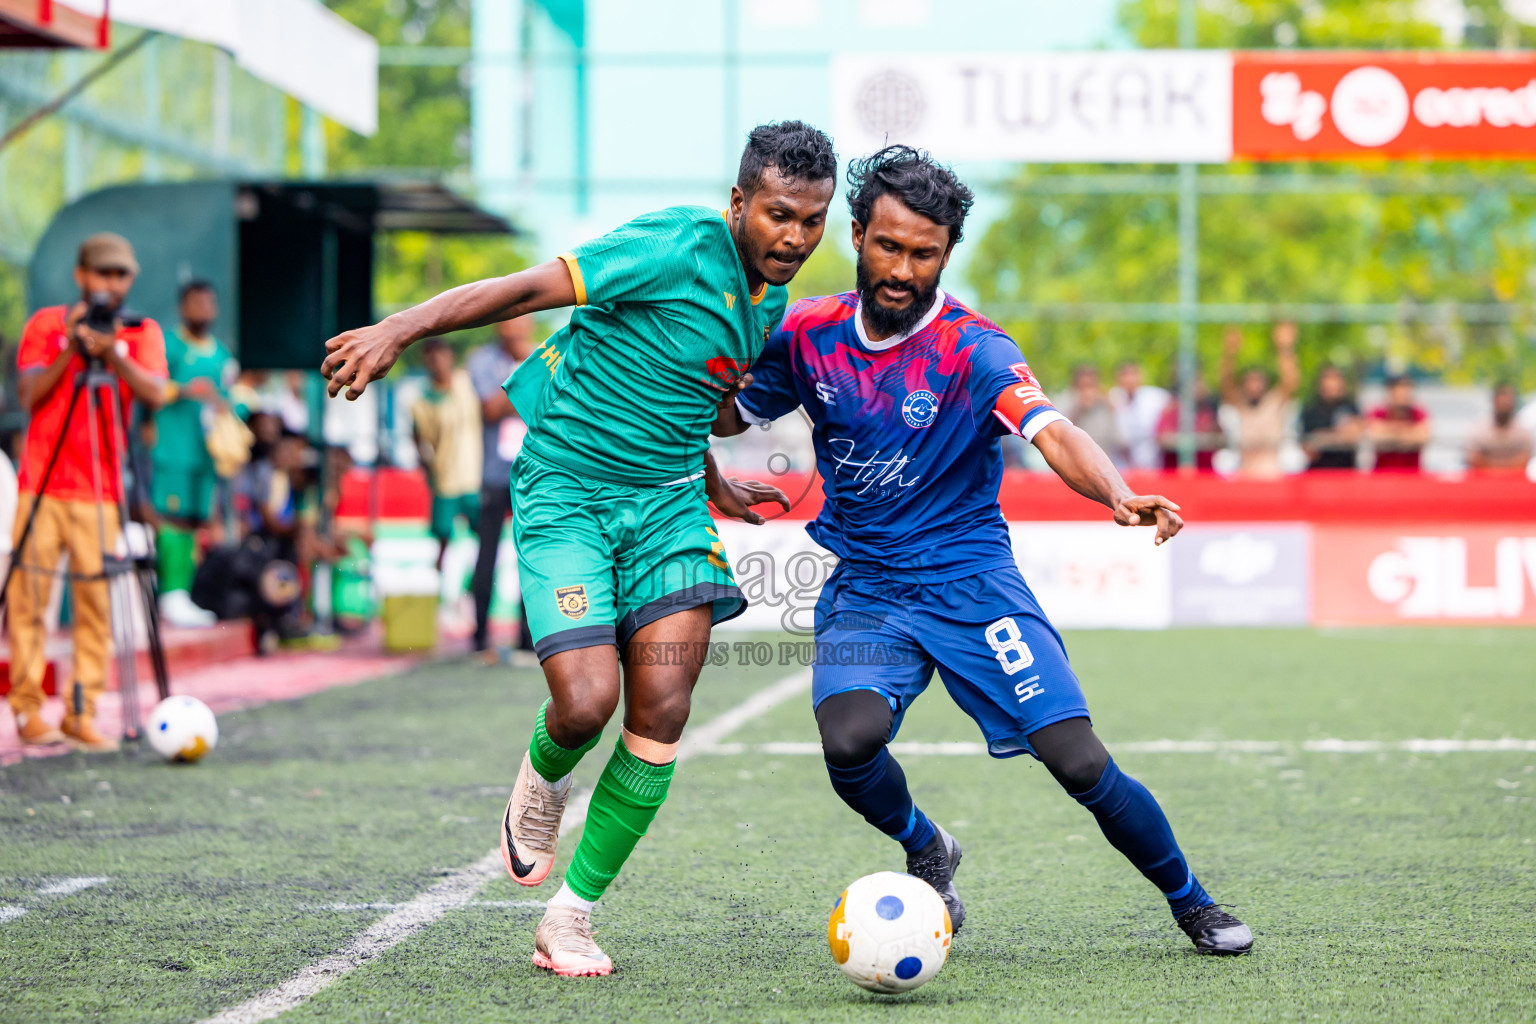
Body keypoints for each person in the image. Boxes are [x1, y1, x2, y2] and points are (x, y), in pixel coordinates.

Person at [320, 121, 837, 976]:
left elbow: (679, 392)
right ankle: (544, 775)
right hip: (567, 493)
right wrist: (401, 329)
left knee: (665, 703)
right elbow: (526, 291)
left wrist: (715, 483)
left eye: (812, 221)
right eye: (781, 215)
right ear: (739, 201)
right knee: (586, 703)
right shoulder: (672, 244)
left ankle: (571, 918)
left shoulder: (769, 303)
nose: (795, 238)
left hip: (669, 506)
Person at [717, 146, 1252, 956]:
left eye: (923, 254)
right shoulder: (804, 333)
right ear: (857, 235)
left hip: (971, 584)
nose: (902, 269)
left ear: (945, 254)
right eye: (888, 247)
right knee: (848, 743)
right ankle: (927, 845)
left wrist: (1115, 492)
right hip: (868, 586)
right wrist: (684, 369)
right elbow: (728, 416)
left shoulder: (975, 349)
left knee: (1076, 760)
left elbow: (1053, 431)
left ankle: (1193, 901)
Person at [7, 233, 168, 751]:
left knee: (96, 605)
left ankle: (83, 711)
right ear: (81, 276)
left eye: (120, 275)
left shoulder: (140, 332)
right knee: (30, 600)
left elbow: (157, 394)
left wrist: (113, 351)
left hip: (101, 489)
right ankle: (28, 710)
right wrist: (73, 350)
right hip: (41, 483)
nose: (110, 284)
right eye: (101, 273)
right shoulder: (46, 326)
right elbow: (30, 396)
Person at [152, 280, 237, 628]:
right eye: (196, 303)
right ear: (182, 307)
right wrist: (185, 390)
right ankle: (169, 596)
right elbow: (149, 388)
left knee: (194, 522)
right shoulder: (167, 346)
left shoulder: (221, 355)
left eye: (209, 302)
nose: (203, 309)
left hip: (206, 455)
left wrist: (225, 407)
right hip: (172, 449)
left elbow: (232, 399)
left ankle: (182, 594)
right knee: (171, 521)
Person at [466, 316, 537, 659]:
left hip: (533, 473)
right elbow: (491, 408)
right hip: (493, 475)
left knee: (533, 556)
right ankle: (479, 635)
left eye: (521, 325)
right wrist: (530, 377)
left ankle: (528, 636)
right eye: (509, 325)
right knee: (487, 556)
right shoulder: (482, 360)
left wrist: (525, 369)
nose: (515, 331)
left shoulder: (541, 354)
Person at [410, 338, 482, 571]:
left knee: (482, 533)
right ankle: (441, 588)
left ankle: (475, 579)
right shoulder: (421, 403)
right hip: (445, 476)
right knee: (443, 537)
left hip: (474, 474)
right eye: (432, 357)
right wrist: (428, 468)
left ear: (450, 356)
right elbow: (419, 440)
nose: (438, 362)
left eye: (442, 355)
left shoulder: (466, 382)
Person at [1219, 323, 1299, 480]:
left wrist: (1285, 348)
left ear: (1265, 384)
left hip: (1273, 472)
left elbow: (1290, 381)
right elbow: (1225, 383)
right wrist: (1229, 354)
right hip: (1244, 472)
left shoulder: (1273, 402)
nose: (1254, 386)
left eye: (1257, 381)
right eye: (1249, 381)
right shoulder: (1240, 404)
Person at [1055, 365, 1123, 466]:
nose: (1088, 390)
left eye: (1090, 385)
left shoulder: (1104, 401)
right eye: (1083, 386)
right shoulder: (1066, 400)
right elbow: (1059, 430)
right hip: (1074, 458)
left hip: (1104, 456)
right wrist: (1079, 408)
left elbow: (1116, 435)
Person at [1109, 361, 1168, 471]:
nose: (1130, 379)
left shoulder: (1154, 396)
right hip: (1122, 466)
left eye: (1133, 374)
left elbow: (1175, 405)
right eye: (1125, 375)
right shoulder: (1113, 397)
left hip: (1151, 463)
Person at [1299, 364, 1361, 471]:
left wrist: (1323, 437)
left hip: (1346, 471)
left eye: (1336, 378)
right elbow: (1309, 449)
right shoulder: (1310, 410)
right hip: (1318, 472)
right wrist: (1336, 435)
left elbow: (1353, 436)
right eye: (1329, 378)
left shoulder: (1351, 407)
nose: (1333, 384)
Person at [1156, 375, 1224, 471]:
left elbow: (1219, 438)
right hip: (1174, 471)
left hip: (1204, 471)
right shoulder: (1172, 411)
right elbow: (1162, 438)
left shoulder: (1208, 413)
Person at [1367, 374, 1431, 472]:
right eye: (1399, 390)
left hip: (1412, 475)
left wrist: (1389, 432)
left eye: (1407, 389)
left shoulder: (1419, 413)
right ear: (1390, 391)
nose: (1403, 394)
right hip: (1382, 475)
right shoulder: (1378, 412)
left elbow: (1423, 438)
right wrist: (1408, 433)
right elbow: (1375, 437)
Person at [1466, 383, 1533, 472]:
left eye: (1508, 400)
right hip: (1483, 480)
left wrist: (1491, 465)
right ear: (1494, 401)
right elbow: (1473, 459)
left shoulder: (1523, 429)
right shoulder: (1478, 427)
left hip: (1514, 481)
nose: (1505, 403)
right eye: (1501, 400)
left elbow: (1525, 460)